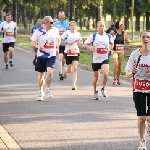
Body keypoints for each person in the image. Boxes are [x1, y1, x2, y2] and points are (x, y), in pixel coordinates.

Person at [125, 30, 150, 150]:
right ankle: (142, 142)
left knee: (149, 118)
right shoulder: (135, 55)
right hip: (138, 88)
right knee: (141, 118)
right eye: (144, 37)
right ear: (140, 39)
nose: (146, 39)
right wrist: (132, 72)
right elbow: (127, 74)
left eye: (148, 37)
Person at [31, 16, 59, 101]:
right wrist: (38, 46)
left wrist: (57, 47)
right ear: (46, 23)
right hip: (41, 55)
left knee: (50, 72)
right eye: (51, 22)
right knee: (41, 75)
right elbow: (32, 42)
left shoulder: (55, 30)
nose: (53, 24)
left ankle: (47, 88)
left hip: (51, 55)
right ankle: (40, 91)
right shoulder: (38, 31)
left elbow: (58, 39)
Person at [83, 21, 114, 100]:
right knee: (96, 78)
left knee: (106, 74)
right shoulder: (93, 36)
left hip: (105, 58)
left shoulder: (108, 36)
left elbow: (111, 44)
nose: (102, 27)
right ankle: (95, 91)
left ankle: (104, 88)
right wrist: (90, 48)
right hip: (96, 59)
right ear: (97, 27)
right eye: (100, 26)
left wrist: (111, 49)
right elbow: (85, 44)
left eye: (103, 26)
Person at [61, 21, 83, 90]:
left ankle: (74, 84)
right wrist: (67, 42)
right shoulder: (67, 33)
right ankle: (65, 71)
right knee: (69, 69)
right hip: (68, 52)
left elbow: (81, 42)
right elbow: (60, 40)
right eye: (71, 25)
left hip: (75, 51)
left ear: (76, 26)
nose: (73, 27)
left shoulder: (78, 34)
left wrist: (80, 42)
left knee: (75, 68)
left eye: (74, 25)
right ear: (69, 26)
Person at [112, 20, 130, 85]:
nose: (124, 26)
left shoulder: (124, 33)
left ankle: (118, 78)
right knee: (116, 64)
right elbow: (111, 40)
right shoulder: (114, 32)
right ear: (119, 26)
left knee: (119, 65)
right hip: (115, 51)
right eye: (123, 25)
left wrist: (128, 40)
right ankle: (114, 79)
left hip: (121, 51)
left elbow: (127, 40)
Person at [54, 11, 69, 80]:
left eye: (62, 16)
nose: (61, 17)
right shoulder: (56, 24)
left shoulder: (68, 23)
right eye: (60, 16)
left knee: (64, 60)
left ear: (64, 16)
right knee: (60, 58)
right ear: (58, 16)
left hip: (66, 44)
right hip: (59, 43)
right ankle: (60, 73)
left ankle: (64, 70)